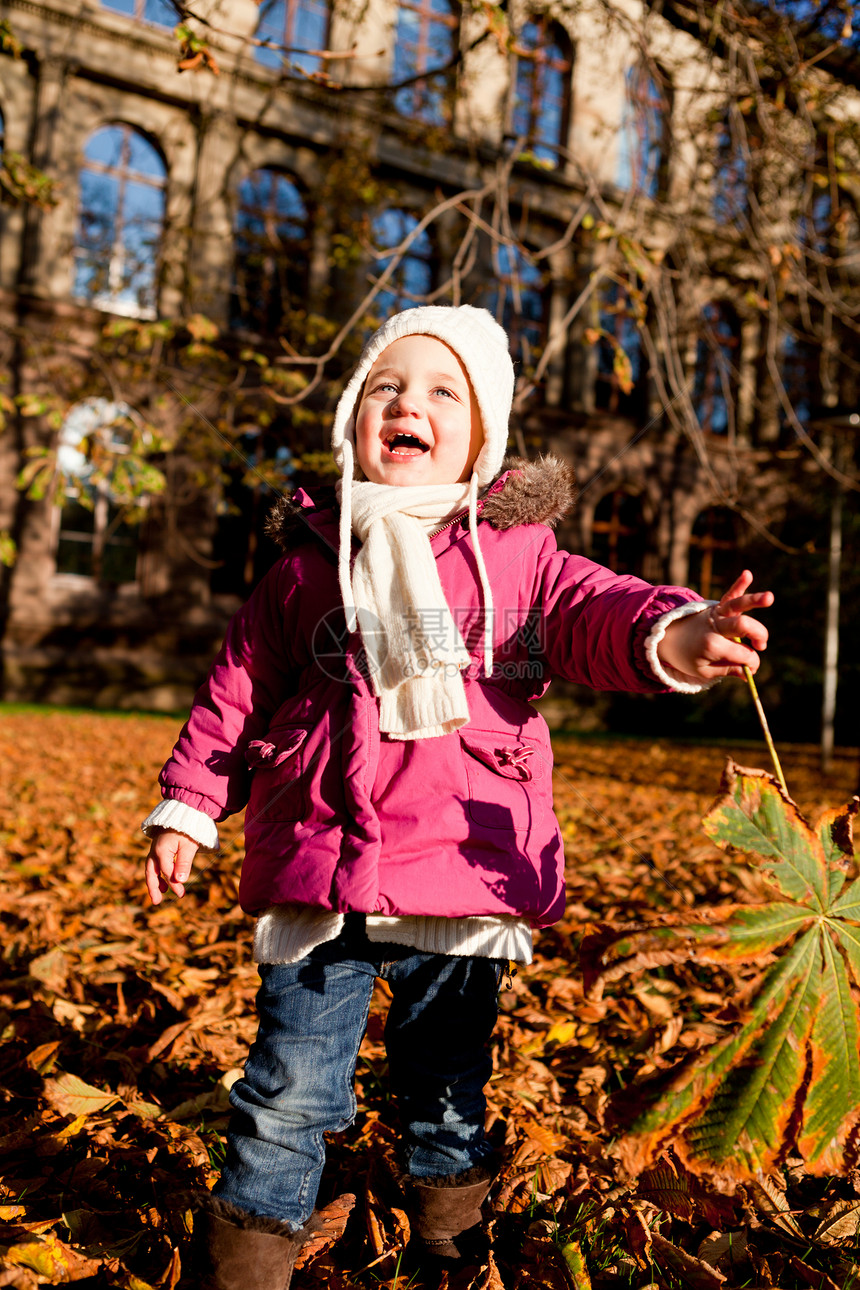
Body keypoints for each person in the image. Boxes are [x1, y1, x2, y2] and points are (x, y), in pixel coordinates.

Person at [142, 305, 773, 1290]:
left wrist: (677, 635)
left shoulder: (518, 561)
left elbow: (592, 615)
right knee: (287, 1089)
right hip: (319, 868)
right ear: (355, 416)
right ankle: (250, 1261)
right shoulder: (308, 567)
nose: (408, 405)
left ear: (481, 439)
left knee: (443, 1086)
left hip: (461, 867)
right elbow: (237, 690)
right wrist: (190, 802)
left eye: (443, 392)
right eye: (385, 388)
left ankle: (449, 1246)